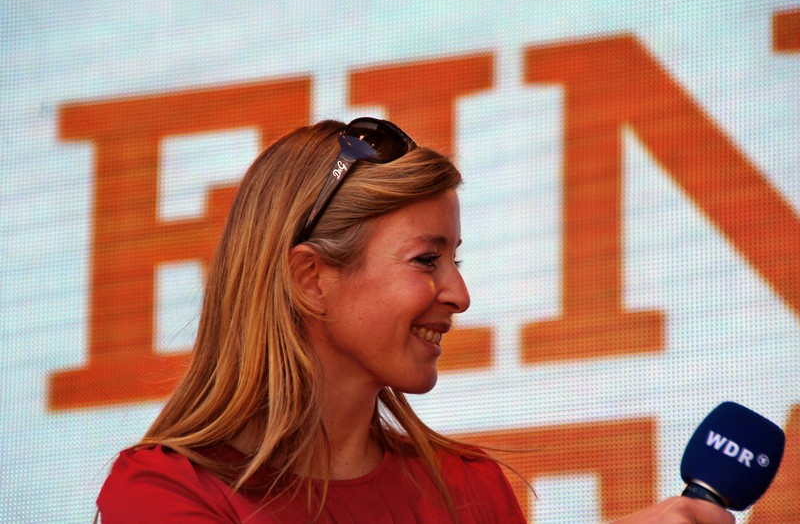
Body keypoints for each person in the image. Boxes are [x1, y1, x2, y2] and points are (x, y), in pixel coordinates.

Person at [97, 118, 734, 523]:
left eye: (455, 260)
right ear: (311, 278)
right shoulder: (162, 489)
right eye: (427, 259)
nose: (459, 294)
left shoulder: (469, 487)